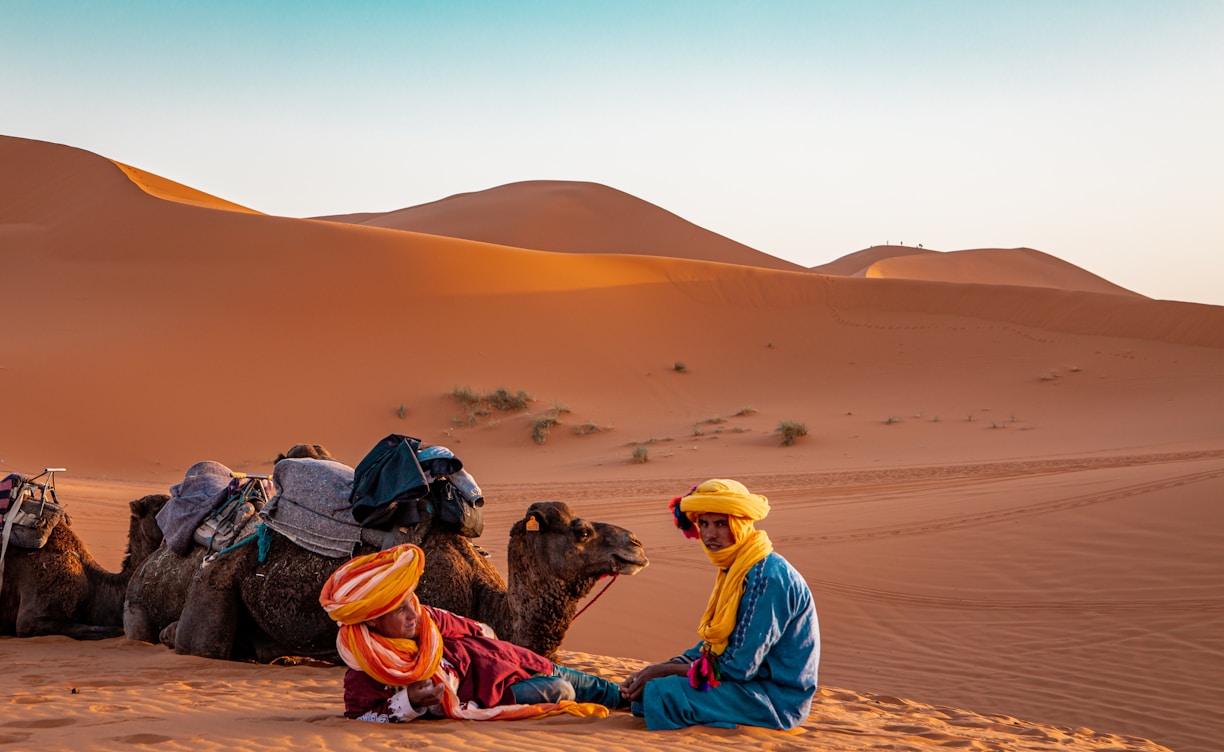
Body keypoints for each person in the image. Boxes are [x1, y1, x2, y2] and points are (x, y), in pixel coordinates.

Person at [319, 543, 626, 722]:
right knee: (563, 691)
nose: (414, 613)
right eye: (399, 609)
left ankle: (640, 696)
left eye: (410, 601)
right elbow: (361, 718)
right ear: (372, 620)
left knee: (607, 690)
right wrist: (411, 701)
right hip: (496, 693)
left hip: (513, 660)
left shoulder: (429, 619)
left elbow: (480, 631)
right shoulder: (367, 668)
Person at [621, 478, 819, 730]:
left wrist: (665, 671)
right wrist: (660, 668)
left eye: (720, 524)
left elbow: (740, 667)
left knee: (663, 693)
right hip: (749, 686)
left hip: (775, 700)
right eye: (703, 523)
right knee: (649, 688)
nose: (709, 534)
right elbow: (715, 647)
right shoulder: (737, 568)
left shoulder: (767, 577)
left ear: (741, 525)